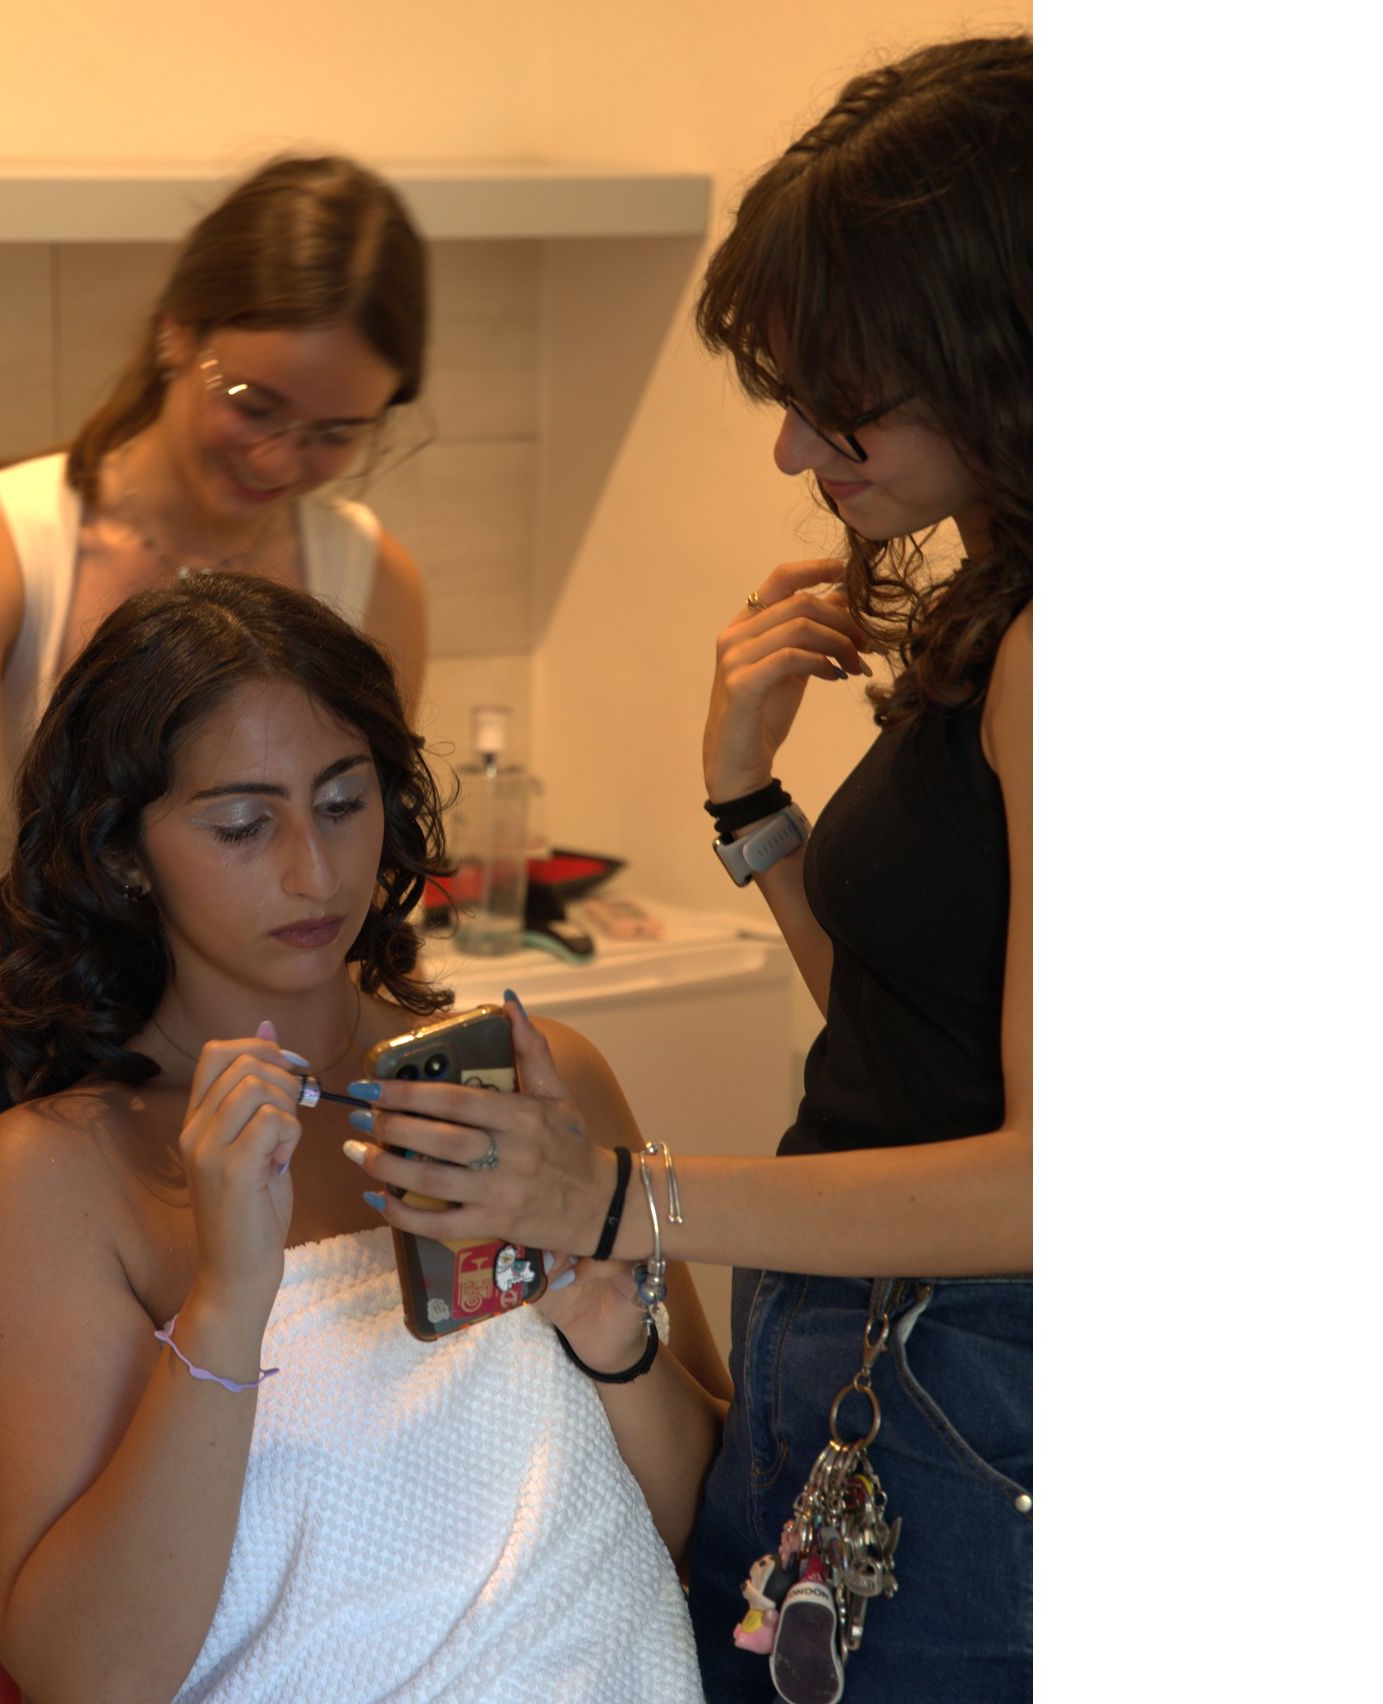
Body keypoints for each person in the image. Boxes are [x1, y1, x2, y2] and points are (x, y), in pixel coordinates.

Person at [336, 35, 1034, 1703]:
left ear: (996, 346)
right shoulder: (1005, 602)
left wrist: (614, 1197)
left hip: (957, 1387)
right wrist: (748, 806)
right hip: (871, 1350)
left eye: (837, 395)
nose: (794, 450)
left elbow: (1052, 1183)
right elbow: (919, 1039)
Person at [0, 572, 725, 1702]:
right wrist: (226, 1298)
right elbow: (90, 1675)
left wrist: (612, 1335)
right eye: (243, 825)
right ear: (121, 852)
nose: (314, 871)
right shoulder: (55, 1177)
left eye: (345, 803)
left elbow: (713, 1539)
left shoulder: (541, 1086)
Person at [0, 154, 431, 1697]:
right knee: (9, 1600)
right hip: (41, 1110)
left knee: (301, 1558)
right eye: (258, 403)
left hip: (296, 1131)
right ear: (180, 330)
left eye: (336, 430)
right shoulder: (9, 541)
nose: (285, 456)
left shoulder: (367, 574)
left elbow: (352, 879)